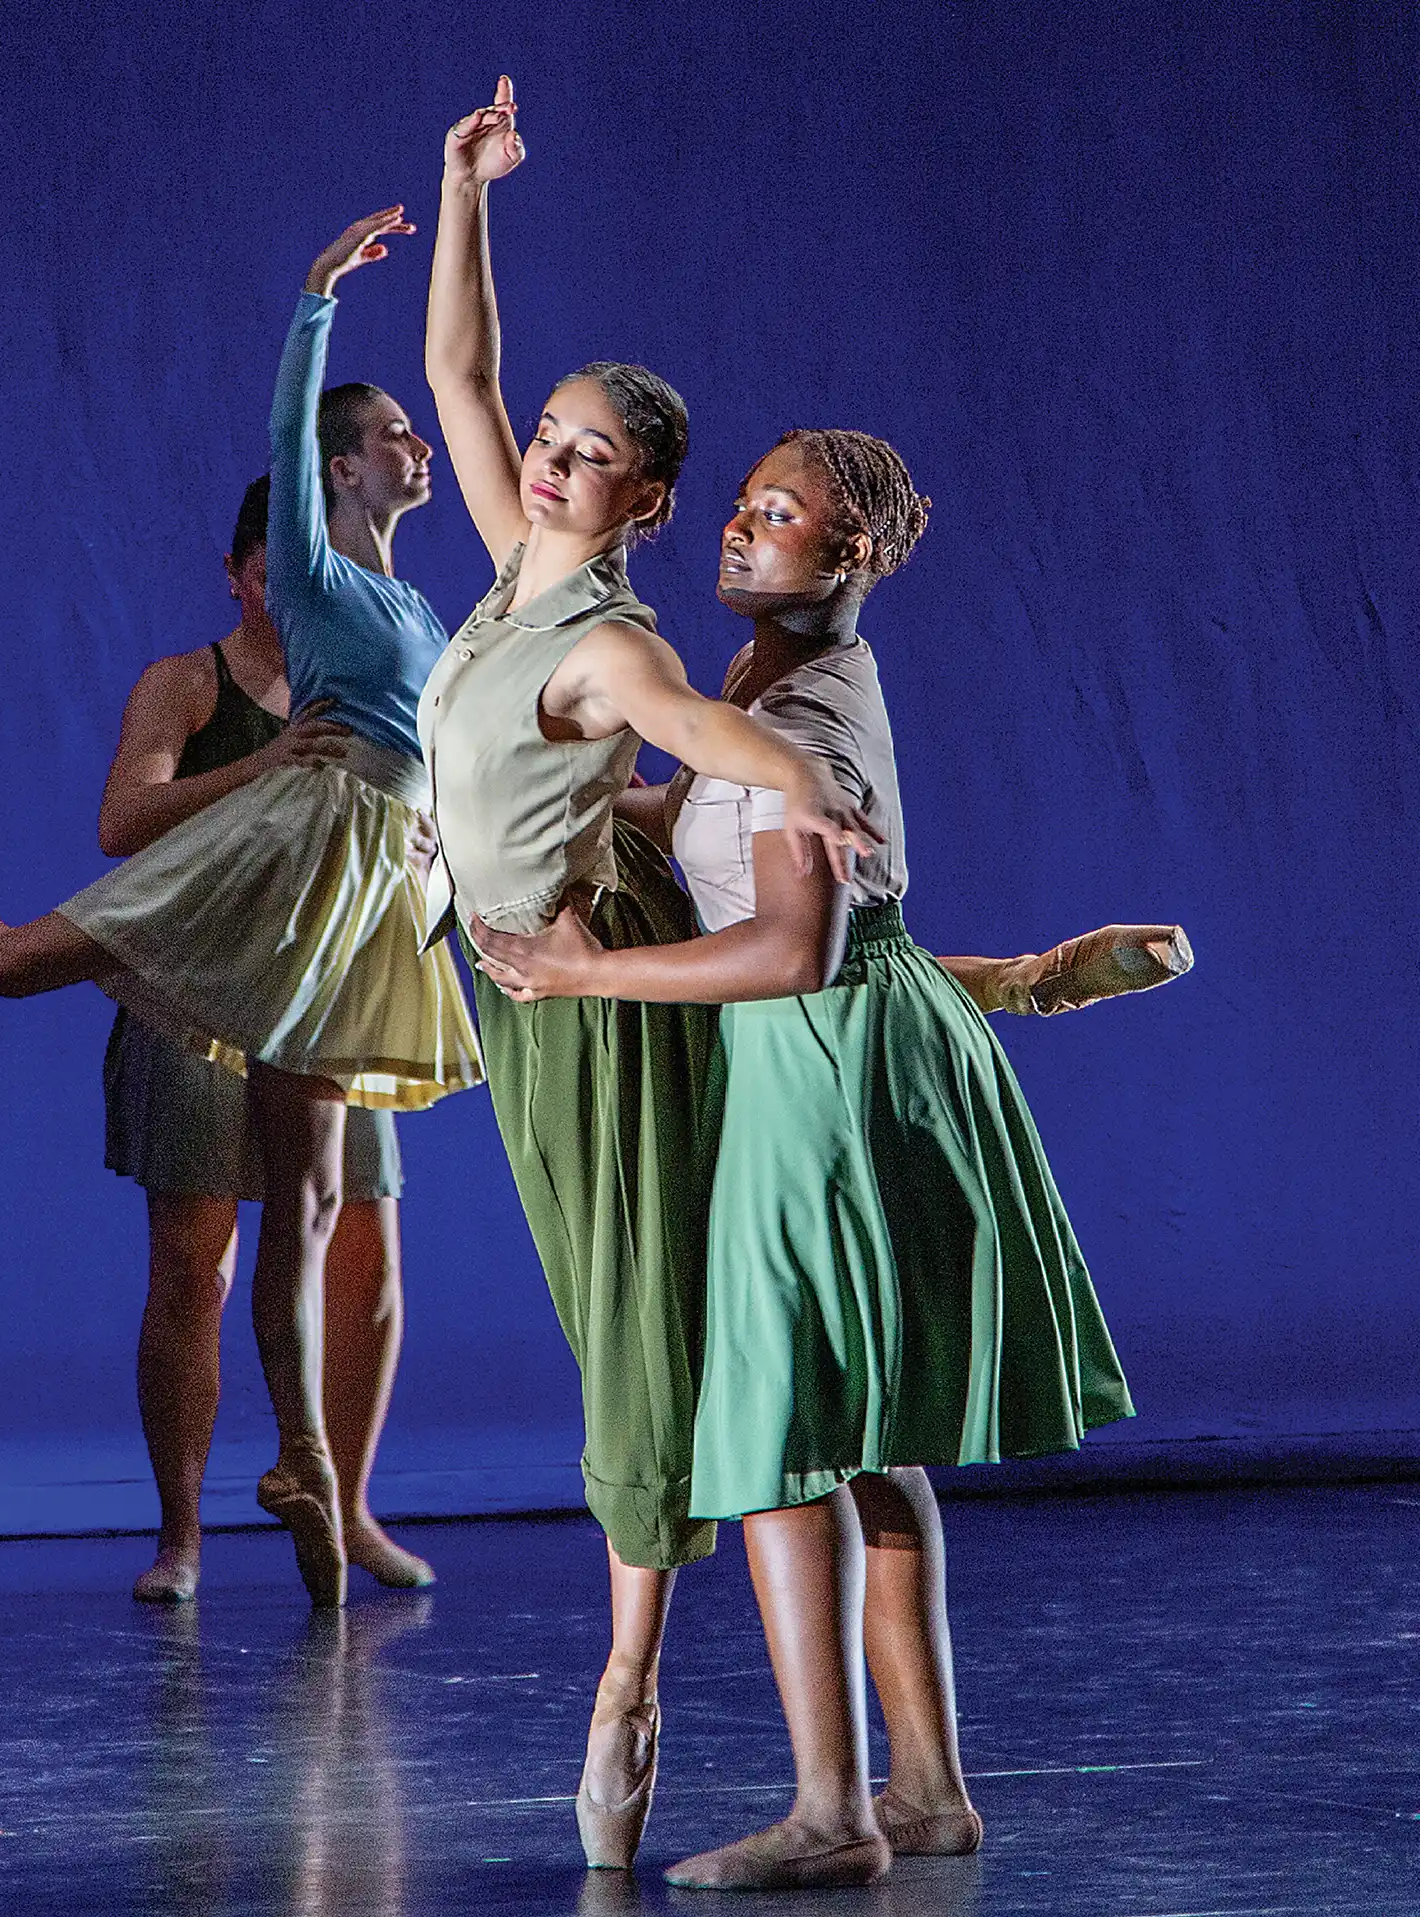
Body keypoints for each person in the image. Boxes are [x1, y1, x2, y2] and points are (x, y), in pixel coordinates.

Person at [0, 214, 493, 1608]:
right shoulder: (313, 580)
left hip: (369, 895)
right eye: (395, 432)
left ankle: (308, 1464)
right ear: (336, 471)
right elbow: (286, 437)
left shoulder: (424, 609)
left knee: (316, 1201)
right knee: (13, 969)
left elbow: (454, 753)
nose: (417, 446)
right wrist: (315, 297)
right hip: (279, 866)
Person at [470, 426, 1139, 1891]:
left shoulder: (810, 722)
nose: (739, 527)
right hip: (857, 1050)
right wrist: (541, 800)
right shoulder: (770, 681)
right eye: (742, 503)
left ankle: (834, 1811)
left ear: (851, 555)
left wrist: (580, 973)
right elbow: (712, 816)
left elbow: (791, 947)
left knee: (781, 1437)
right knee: (860, 1434)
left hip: (821, 1066)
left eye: (778, 515)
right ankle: (929, 1794)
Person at [420, 75, 890, 1874]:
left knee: (630, 1321)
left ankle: (627, 1688)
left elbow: (704, 730)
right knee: (610, 1309)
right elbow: (458, 372)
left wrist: (811, 791)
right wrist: (467, 189)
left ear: (649, 498)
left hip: (584, 980)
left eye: (590, 453)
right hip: (517, 987)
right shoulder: (512, 572)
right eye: (552, 437)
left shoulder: (607, 641)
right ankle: (681, 1682)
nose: (549, 459)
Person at [99, 476, 434, 1602]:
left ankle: (347, 1503)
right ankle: (181, 1535)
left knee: (365, 1256)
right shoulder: (187, 683)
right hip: (202, 995)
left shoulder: (374, 674)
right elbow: (120, 821)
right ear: (243, 575)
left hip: (335, 996)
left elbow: (427, 810)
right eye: (270, 575)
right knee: (195, 1266)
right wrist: (261, 762)